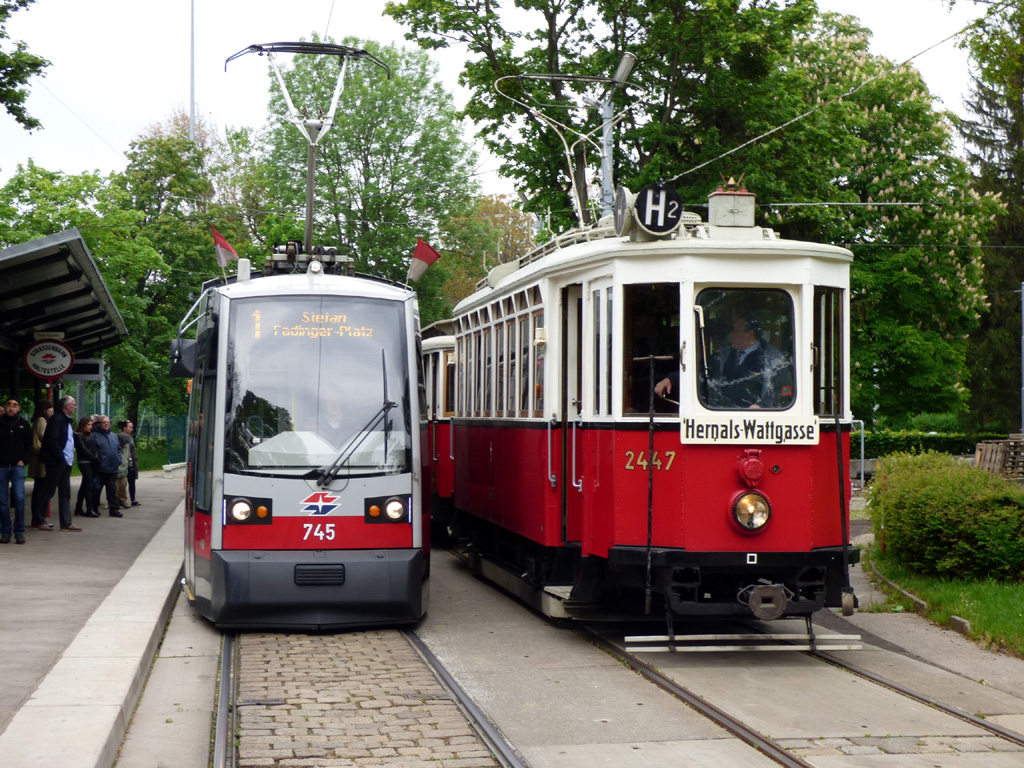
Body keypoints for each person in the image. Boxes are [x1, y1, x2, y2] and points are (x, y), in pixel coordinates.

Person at [656, 317, 792, 409]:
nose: (732, 334)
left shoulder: (773, 358)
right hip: (718, 416)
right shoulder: (724, 354)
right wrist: (671, 379)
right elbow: (700, 370)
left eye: (736, 330)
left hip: (754, 424)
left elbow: (783, 389)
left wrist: (762, 406)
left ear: (749, 334)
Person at [37, 395, 80, 532]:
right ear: (67, 406)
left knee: (65, 492)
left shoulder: (65, 420)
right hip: (57, 461)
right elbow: (51, 440)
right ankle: (38, 519)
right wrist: (60, 456)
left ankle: (66, 523)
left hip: (66, 460)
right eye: (73, 404)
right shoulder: (57, 419)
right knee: (48, 490)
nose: (75, 406)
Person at [0, 397, 33, 544]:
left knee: (19, 498)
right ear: (5, 407)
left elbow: (29, 445)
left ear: (19, 408)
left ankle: (19, 532)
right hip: (1, 466)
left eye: (15, 406)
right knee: (2, 502)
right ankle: (5, 532)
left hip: (17, 467)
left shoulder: (24, 424)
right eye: (9, 405)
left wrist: (24, 460)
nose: (11, 408)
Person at [28, 399, 54, 530]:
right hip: (41, 460)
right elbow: (44, 437)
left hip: (38, 459)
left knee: (39, 488)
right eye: (50, 408)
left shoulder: (38, 420)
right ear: (44, 409)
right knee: (42, 490)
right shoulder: (42, 421)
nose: (52, 410)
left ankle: (39, 518)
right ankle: (39, 519)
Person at [92, 415, 122, 517]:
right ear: (99, 424)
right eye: (104, 422)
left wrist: (119, 460)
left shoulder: (113, 436)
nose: (106, 424)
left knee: (112, 490)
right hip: (100, 468)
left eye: (108, 422)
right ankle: (94, 508)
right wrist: (98, 462)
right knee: (96, 490)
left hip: (112, 468)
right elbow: (93, 451)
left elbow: (118, 449)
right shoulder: (94, 435)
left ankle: (114, 510)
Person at [73, 417, 100, 518]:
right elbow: (83, 449)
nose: (90, 427)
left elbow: (93, 448)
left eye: (91, 425)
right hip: (84, 461)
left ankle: (79, 507)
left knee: (85, 484)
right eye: (88, 425)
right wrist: (95, 459)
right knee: (89, 484)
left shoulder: (89, 435)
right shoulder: (78, 435)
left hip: (91, 461)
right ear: (83, 425)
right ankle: (89, 508)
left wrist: (95, 458)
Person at [116, 420, 138, 508]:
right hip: (124, 462)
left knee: (128, 481)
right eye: (130, 427)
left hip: (130, 461)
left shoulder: (128, 436)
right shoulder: (121, 436)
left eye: (132, 427)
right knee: (122, 482)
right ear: (124, 428)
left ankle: (131, 499)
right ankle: (121, 499)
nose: (132, 429)